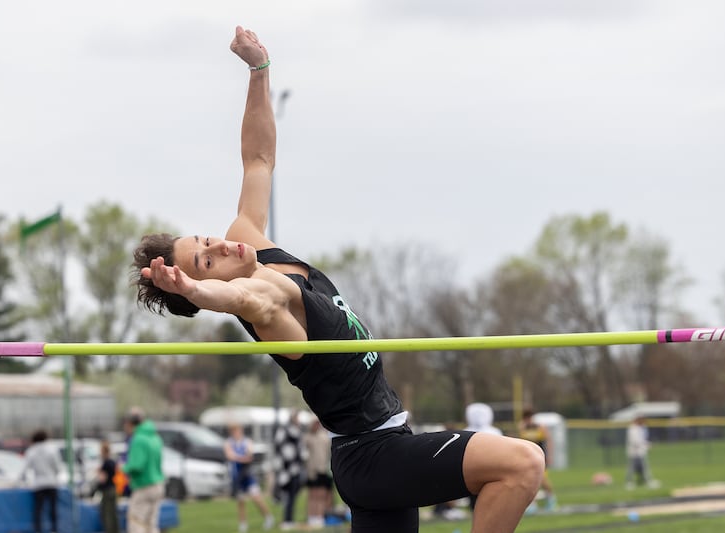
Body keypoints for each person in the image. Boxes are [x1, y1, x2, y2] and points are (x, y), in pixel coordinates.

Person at [132, 25, 545, 533]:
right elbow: (233, 295)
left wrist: (259, 71)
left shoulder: (250, 241)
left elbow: (258, 159)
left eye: (204, 241)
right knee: (522, 463)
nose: (217, 245)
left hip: (367, 456)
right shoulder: (261, 299)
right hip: (375, 454)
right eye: (206, 260)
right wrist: (194, 290)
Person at [224, 423, 275, 532]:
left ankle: (268, 517)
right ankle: (243, 525)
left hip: (247, 475)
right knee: (241, 501)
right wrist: (241, 458)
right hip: (237, 476)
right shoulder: (229, 443)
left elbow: (249, 455)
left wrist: (240, 458)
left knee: (257, 498)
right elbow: (230, 455)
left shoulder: (246, 442)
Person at [123, 410, 165, 533]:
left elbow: (137, 465)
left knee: (136, 522)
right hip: (158, 484)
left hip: (144, 485)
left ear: (131, 424)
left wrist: (123, 468)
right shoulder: (155, 437)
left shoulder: (139, 439)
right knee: (151, 524)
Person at [273, 411, 307, 530]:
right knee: (288, 495)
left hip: (296, 469)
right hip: (286, 469)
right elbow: (279, 446)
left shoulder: (297, 431)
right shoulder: (284, 430)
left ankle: (290, 519)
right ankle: (286, 520)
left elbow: (300, 449)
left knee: (293, 495)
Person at [21, 429, 60, 533]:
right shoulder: (52, 450)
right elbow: (57, 467)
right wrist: (54, 475)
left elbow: (25, 469)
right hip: (52, 483)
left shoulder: (31, 451)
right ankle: (54, 529)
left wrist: (21, 481)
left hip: (38, 484)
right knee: (53, 509)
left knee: (38, 510)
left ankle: (38, 530)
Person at [518, 408, 557, 512]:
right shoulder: (522, 427)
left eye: (529, 418)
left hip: (540, 457)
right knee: (529, 481)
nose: (528, 420)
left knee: (543, 480)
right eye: (526, 418)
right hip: (528, 458)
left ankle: (551, 499)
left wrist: (550, 456)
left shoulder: (540, 427)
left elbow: (548, 441)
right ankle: (532, 504)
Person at [303, 418, 333, 529]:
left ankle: (320, 517)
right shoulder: (308, 437)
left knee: (321, 495)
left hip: (323, 470)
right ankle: (312, 517)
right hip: (312, 471)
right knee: (312, 495)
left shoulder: (324, 437)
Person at [625, 416, 659, 489]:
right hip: (634, 452)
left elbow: (643, 439)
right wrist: (646, 445)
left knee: (644, 468)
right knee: (632, 468)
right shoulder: (633, 429)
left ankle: (647, 480)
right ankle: (629, 482)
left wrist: (647, 445)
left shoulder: (642, 428)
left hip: (641, 452)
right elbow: (635, 441)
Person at [96, 440, 120, 533]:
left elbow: (103, 479)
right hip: (113, 489)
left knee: (107, 515)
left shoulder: (106, 463)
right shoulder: (112, 462)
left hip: (107, 490)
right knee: (113, 514)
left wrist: (98, 473)